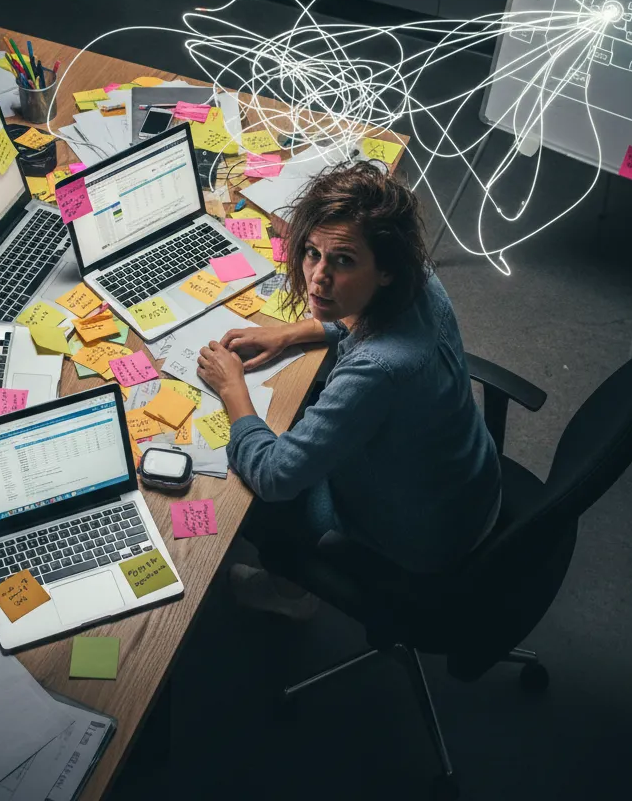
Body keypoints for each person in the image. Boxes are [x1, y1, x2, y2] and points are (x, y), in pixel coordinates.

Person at [196, 161, 501, 617]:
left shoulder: (376, 371)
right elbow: (372, 320)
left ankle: (290, 593)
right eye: (312, 253)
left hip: (423, 535)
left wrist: (232, 388)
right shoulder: (420, 279)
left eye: (343, 260)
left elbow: (276, 477)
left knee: (244, 503)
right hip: (468, 485)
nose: (318, 277)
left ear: (385, 270)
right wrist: (292, 333)